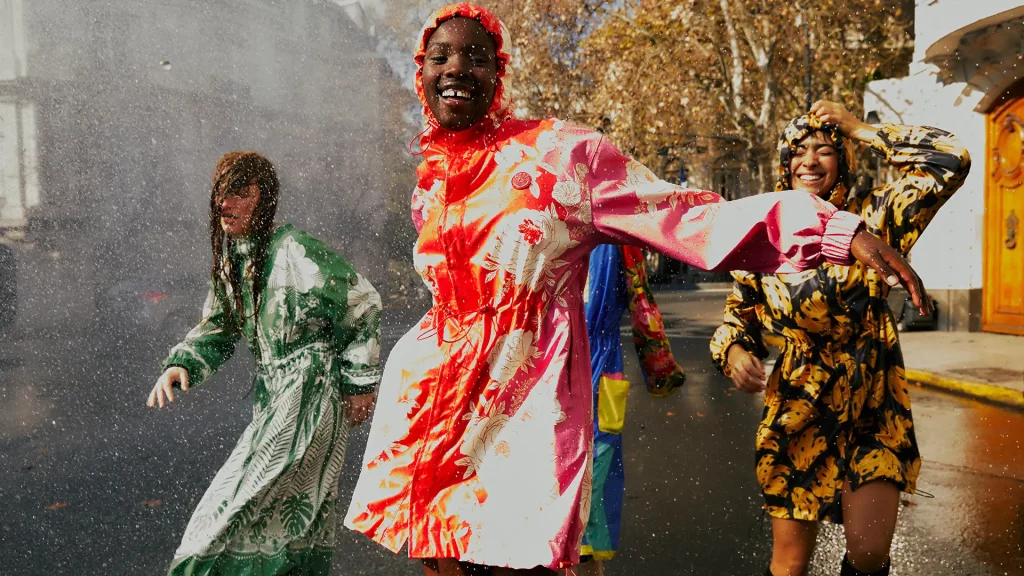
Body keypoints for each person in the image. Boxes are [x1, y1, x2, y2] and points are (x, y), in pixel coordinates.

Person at [343, 5, 929, 574]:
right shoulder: (431, 180)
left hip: (524, 404)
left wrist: (833, 227)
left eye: (475, 56)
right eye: (438, 56)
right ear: (421, 73)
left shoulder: (560, 156)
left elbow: (685, 215)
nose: (454, 69)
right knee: (443, 556)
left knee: (521, 559)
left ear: (498, 74)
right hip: (432, 401)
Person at [709, 103, 970, 576]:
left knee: (869, 555)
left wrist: (860, 129)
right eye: (799, 152)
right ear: (784, 165)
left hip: (874, 400)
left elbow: (951, 160)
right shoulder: (766, 233)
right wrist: (734, 349)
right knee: (790, 564)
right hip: (797, 405)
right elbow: (738, 315)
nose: (809, 161)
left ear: (844, 159)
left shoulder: (879, 215)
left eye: (825, 149)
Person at [146, 151, 382, 575]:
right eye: (221, 192)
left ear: (265, 199)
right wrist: (182, 363)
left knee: (239, 508)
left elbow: (362, 302)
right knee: (282, 520)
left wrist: (359, 383)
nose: (225, 203)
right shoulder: (231, 260)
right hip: (275, 398)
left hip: (311, 395)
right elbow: (219, 325)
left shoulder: (296, 250)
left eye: (240, 192)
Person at [578, 244, 686, 576]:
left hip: (560, 364)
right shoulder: (616, 232)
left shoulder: (612, 236)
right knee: (587, 488)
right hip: (588, 368)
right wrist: (662, 370)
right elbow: (642, 305)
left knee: (575, 484)